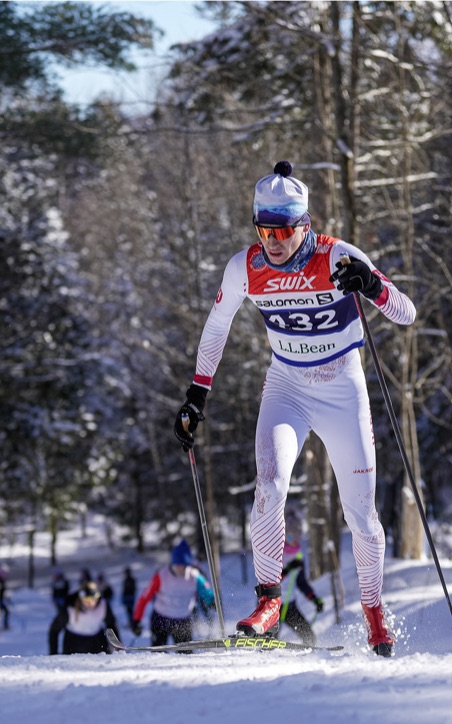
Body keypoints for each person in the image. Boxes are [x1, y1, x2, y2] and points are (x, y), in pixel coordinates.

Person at [173, 161, 416, 657]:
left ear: (304, 225)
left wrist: (371, 285)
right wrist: (197, 394)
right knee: (268, 486)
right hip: (286, 387)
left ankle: (373, 609)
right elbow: (216, 327)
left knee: (361, 514)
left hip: (342, 391)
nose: (274, 241)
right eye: (265, 230)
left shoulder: (337, 257)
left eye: (283, 230)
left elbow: (406, 313)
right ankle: (268, 603)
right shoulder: (246, 267)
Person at [131, 539, 215, 647]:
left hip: (182, 619)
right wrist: (136, 620)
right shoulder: (161, 576)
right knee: (159, 652)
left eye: (185, 565)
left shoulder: (194, 576)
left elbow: (206, 592)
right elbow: (144, 598)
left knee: (185, 653)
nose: (182, 568)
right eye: (179, 565)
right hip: (161, 618)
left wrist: (213, 602)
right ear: (173, 563)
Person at [279, 510, 324, 647]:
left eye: (297, 536)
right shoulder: (277, 552)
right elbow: (270, 581)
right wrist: (287, 569)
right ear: (284, 536)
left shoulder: (298, 556)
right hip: (272, 605)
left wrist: (314, 599)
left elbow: (301, 583)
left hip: (289, 605)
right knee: (269, 640)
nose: (294, 541)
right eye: (290, 537)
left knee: (309, 636)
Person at [48, 580, 118, 655]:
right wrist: (53, 652)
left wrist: (116, 644)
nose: (91, 603)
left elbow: (111, 624)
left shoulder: (102, 605)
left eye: (94, 599)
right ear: (81, 598)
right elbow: (54, 630)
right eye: (87, 600)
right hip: (74, 642)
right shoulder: (70, 608)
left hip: (96, 640)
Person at [0, 564, 11, 631]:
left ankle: (4, 626)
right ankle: (2, 626)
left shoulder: (2, 582)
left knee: (5, 612)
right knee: (1, 613)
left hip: (1, 601)